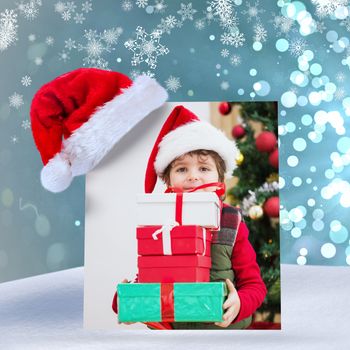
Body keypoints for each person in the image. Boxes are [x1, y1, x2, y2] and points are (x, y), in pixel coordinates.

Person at [114, 105, 267, 329]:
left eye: (204, 169)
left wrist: (240, 302)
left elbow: (254, 284)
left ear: (220, 176)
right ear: (168, 180)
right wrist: (127, 299)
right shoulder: (159, 220)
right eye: (182, 169)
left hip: (223, 335)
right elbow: (148, 277)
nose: (193, 177)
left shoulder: (231, 222)